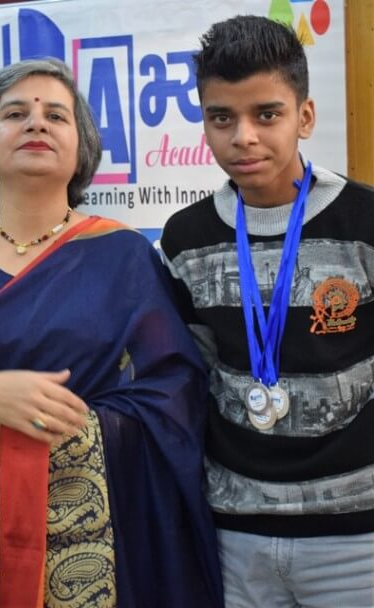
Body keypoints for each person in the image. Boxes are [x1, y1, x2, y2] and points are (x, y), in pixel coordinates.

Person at [0, 58, 224, 608]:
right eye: (16, 113)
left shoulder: (125, 257)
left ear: (81, 152)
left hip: (97, 539)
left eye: (56, 116)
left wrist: (48, 434)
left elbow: (175, 395)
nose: (36, 122)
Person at [161, 15, 374, 608]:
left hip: (358, 535)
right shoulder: (186, 238)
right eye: (221, 118)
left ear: (304, 117)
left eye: (267, 114)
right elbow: (193, 374)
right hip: (236, 531)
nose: (244, 137)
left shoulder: (365, 223)